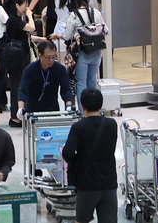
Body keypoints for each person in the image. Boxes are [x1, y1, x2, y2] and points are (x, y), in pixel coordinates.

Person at [62, 89, 118, 223]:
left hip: (87, 184)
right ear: (101, 104)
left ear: (83, 106)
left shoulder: (78, 127)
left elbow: (67, 153)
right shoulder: (111, 125)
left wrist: (78, 160)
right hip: (109, 183)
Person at [53, 0, 106, 102]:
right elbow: (106, 30)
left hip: (82, 53)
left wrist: (58, 35)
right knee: (92, 81)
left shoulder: (74, 15)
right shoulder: (95, 12)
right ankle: (93, 109)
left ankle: (83, 113)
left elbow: (67, 36)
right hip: (97, 52)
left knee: (81, 82)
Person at [17, 41, 74, 116]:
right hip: (33, 111)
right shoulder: (30, 69)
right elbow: (23, 90)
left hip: (53, 109)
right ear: (39, 55)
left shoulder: (60, 69)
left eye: (53, 57)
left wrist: (68, 106)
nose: (51, 60)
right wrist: (20, 108)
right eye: (48, 57)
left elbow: (66, 89)